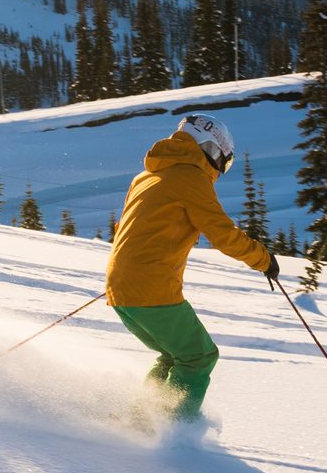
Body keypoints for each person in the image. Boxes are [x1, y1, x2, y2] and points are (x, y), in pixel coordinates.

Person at [104, 114, 277, 423]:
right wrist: (264, 259)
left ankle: (142, 420)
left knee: (174, 356)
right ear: (211, 149)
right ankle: (173, 430)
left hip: (122, 286)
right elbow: (222, 233)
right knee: (199, 356)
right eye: (225, 161)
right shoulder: (190, 178)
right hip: (150, 285)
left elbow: (127, 228)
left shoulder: (146, 176)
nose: (222, 169)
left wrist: (127, 274)